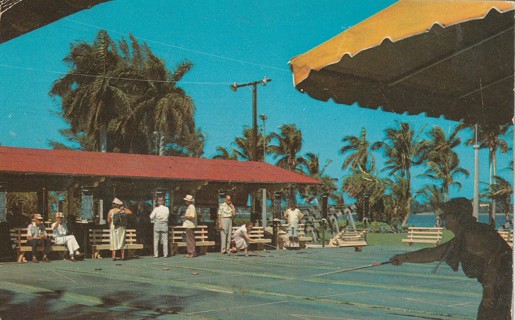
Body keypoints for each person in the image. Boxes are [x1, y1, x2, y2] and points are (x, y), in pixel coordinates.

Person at [390, 198, 512, 320]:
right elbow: (434, 253)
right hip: (501, 287)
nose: (443, 218)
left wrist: (488, 288)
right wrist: (403, 258)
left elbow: (494, 257)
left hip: (505, 288)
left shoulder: (472, 234)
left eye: (445, 215)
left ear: (457, 217)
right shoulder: (465, 234)